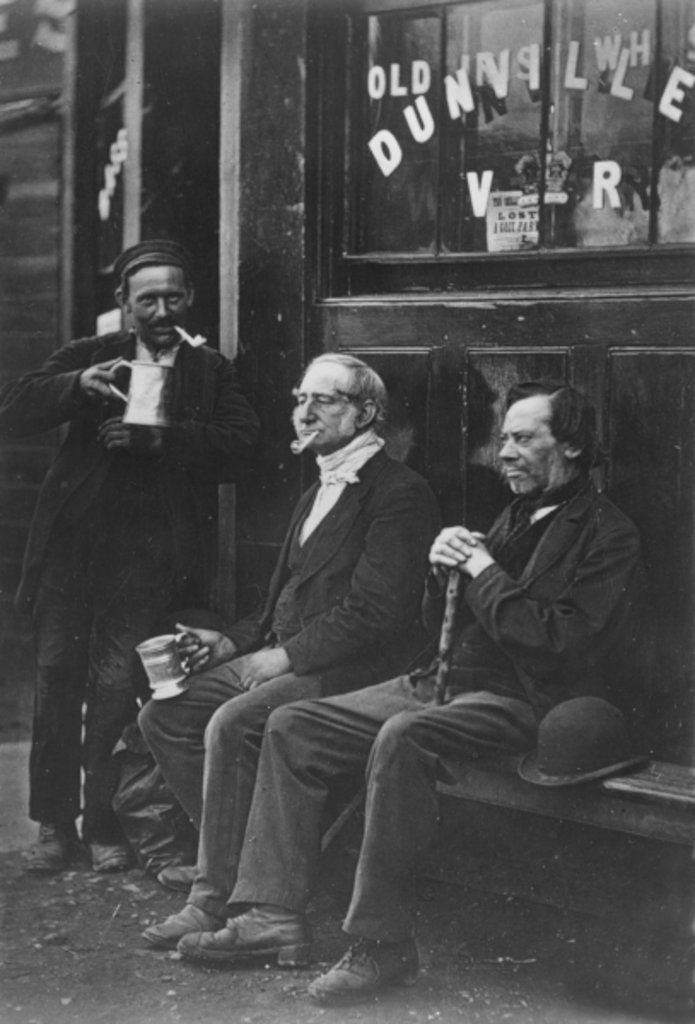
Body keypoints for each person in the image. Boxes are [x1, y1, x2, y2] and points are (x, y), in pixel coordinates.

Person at [149, 380, 648, 1006]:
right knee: (293, 724)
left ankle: (382, 944)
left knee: (404, 735)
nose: (504, 453)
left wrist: (481, 571)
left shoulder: (608, 534)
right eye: (503, 439)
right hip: (442, 681)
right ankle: (273, 916)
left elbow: (557, 642)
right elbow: (443, 622)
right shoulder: (517, 514)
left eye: (524, 439)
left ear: (571, 447)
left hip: (525, 700)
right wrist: (441, 575)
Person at [139, 352, 440, 946]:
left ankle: (221, 897)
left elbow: (377, 613)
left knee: (233, 722)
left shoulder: (400, 493)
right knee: (167, 715)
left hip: (355, 671)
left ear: (365, 413)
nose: (304, 413)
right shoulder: (315, 490)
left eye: (322, 401)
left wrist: (284, 657)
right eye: (300, 400)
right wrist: (232, 641)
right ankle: (240, 871)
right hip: (290, 656)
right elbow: (283, 595)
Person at [0, 239, 260, 874]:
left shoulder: (209, 371)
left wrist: (164, 441)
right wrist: (74, 386)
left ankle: (103, 824)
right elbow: (12, 407)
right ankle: (54, 825)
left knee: (117, 689)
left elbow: (242, 446)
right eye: (148, 300)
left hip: (147, 561)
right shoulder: (93, 355)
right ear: (124, 302)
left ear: (190, 297)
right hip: (71, 551)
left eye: (173, 297)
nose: (162, 311)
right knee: (57, 681)